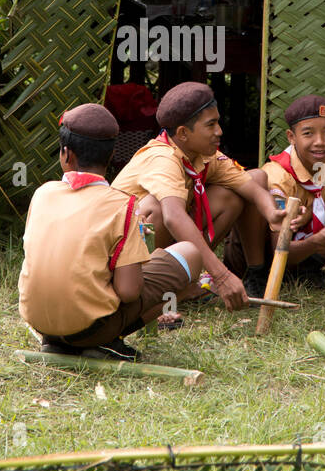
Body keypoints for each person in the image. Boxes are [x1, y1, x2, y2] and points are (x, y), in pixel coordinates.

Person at [18, 103, 202, 361]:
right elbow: (128, 291)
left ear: (65, 154)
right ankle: (107, 341)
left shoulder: (42, 193)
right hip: (92, 329)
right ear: (112, 153)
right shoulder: (123, 205)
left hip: (40, 323)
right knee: (190, 253)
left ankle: (64, 341)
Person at [111, 82, 287, 310]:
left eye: (218, 122)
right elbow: (173, 217)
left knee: (233, 195)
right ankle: (153, 287)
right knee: (154, 207)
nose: (219, 132)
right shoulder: (162, 159)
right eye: (211, 125)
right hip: (121, 257)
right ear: (183, 133)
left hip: (166, 246)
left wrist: (273, 214)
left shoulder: (202, 155)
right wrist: (221, 275)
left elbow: (250, 186)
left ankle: (190, 278)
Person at [232, 95, 325, 295]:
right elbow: (283, 249)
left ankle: (306, 272)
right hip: (267, 251)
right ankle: (257, 277)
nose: (320, 142)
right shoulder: (279, 176)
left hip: (300, 247)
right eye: (308, 133)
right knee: (254, 178)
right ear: (291, 137)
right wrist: (318, 241)